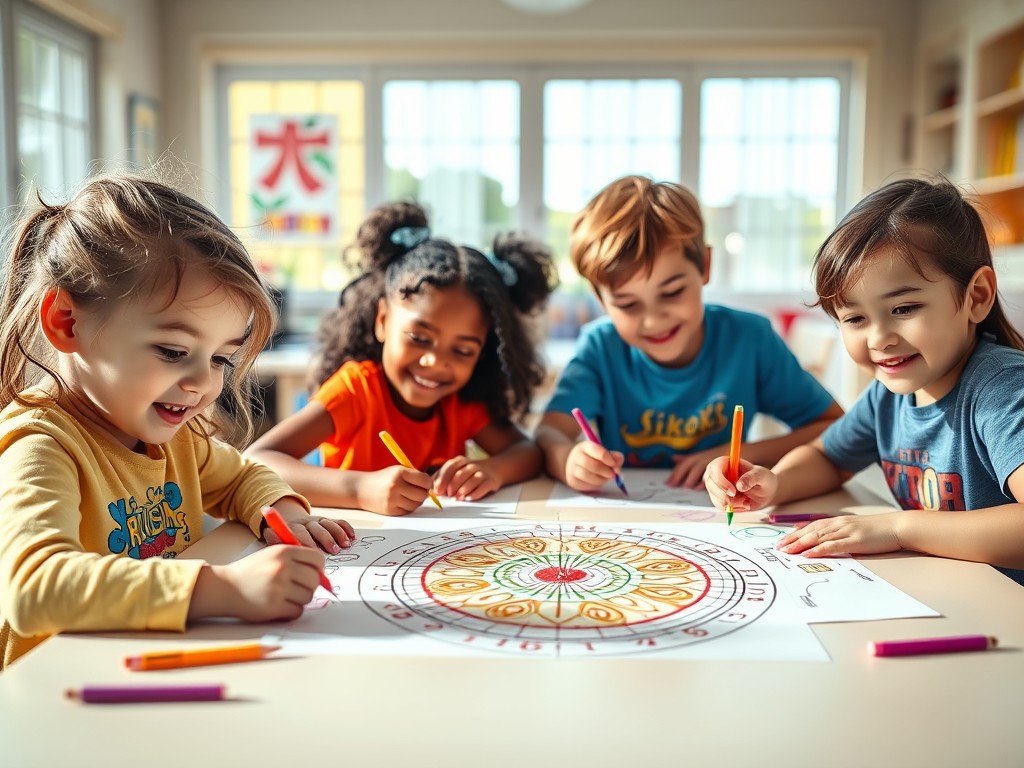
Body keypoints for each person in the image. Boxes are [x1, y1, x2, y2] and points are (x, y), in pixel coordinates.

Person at [0, 174, 355, 670]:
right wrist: (224, 587)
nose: (201, 384)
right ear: (67, 322)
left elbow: (243, 475)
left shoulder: (176, 438)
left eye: (220, 360)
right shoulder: (40, 444)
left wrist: (284, 513)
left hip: (149, 668)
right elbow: (34, 588)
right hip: (62, 695)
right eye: (173, 351)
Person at [703, 177, 1024, 582]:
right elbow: (827, 458)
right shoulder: (887, 397)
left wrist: (897, 528)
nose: (879, 339)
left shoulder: (1004, 391)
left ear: (976, 296)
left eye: (905, 308)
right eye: (854, 318)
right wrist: (774, 483)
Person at [534, 175, 843, 492]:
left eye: (672, 292)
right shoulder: (600, 347)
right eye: (627, 304)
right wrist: (568, 459)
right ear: (601, 300)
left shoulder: (749, 340)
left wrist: (739, 455)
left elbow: (834, 427)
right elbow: (548, 434)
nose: (653, 321)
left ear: (705, 266)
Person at [245, 202, 557, 516]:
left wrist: (492, 471)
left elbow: (527, 452)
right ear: (382, 320)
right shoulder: (357, 390)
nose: (434, 362)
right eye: (419, 338)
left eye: (462, 351)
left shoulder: (460, 403)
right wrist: (361, 490)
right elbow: (259, 460)